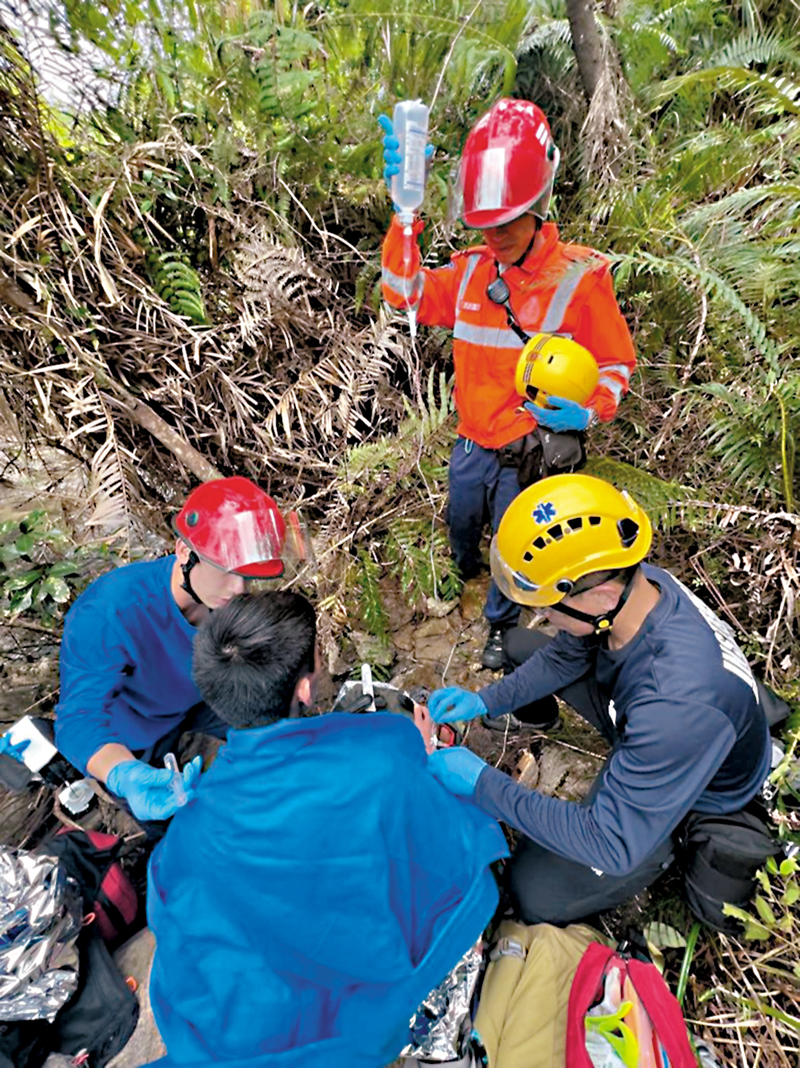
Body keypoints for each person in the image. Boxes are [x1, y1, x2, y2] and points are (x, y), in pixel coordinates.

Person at [146, 591, 506, 1068]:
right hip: (367, 999)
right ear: (303, 689)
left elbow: (182, 918)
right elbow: (441, 846)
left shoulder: (189, 827)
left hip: (252, 1020)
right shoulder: (385, 748)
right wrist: (423, 752)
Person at [425, 474, 775, 929]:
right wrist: (484, 701)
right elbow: (563, 657)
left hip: (688, 790)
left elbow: (608, 842)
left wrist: (482, 785)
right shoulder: (640, 586)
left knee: (531, 892)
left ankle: (664, 851)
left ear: (602, 595)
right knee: (519, 645)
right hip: (642, 720)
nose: (541, 615)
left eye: (549, 605)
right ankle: (550, 724)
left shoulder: (677, 705)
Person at [380, 98, 637, 673]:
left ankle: (499, 626)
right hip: (471, 441)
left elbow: (617, 364)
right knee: (464, 522)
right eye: (483, 224)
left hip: (528, 451)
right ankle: (461, 567)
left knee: (513, 544)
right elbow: (404, 294)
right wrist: (404, 217)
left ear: (537, 205)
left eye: (505, 222)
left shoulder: (580, 280)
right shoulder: (472, 270)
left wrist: (588, 414)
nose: (492, 235)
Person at [55, 476, 291, 823]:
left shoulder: (229, 598)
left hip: (200, 698)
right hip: (134, 731)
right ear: (184, 551)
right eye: (226, 571)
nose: (240, 588)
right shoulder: (111, 614)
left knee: (278, 738)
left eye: (248, 575)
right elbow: (77, 720)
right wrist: (122, 774)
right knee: (162, 815)